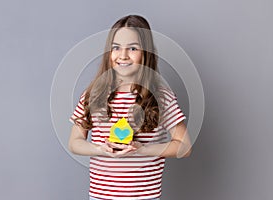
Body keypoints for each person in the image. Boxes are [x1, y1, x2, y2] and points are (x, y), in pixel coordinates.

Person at [68, 15, 192, 200]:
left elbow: (184, 147)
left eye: (132, 48)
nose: (123, 55)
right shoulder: (93, 94)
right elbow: (74, 142)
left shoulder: (161, 97)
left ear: (146, 53)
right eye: (116, 47)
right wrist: (101, 149)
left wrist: (141, 149)